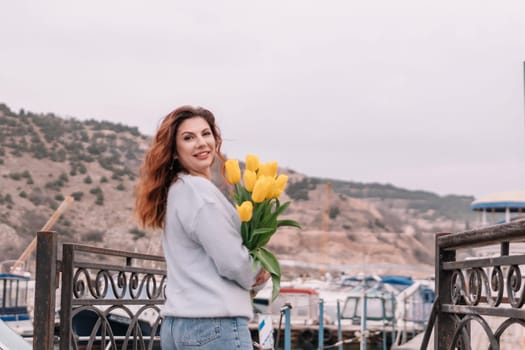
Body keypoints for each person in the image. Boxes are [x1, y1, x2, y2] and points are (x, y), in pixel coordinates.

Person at [134, 105, 270, 350]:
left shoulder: (178, 189)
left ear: (215, 140)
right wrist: (261, 272)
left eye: (205, 134)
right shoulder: (201, 193)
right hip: (213, 325)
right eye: (188, 138)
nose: (201, 143)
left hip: (179, 325)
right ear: (174, 152)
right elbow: (233, 262)